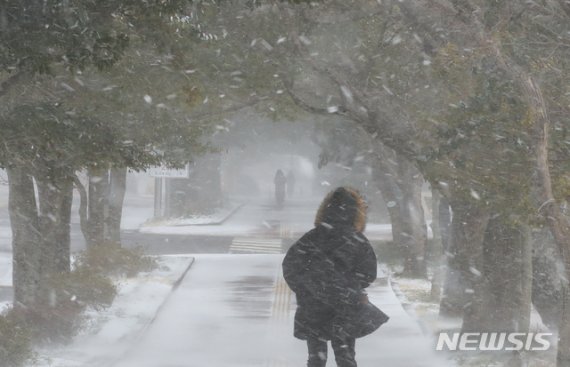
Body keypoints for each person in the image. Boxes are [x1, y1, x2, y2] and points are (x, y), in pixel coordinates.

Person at [282, 187, 377, 367]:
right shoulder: (358, 240)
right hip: (346, 304)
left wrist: (305, 288)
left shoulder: (312, 237)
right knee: (346, 356)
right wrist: (351, 286)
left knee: (316, 357)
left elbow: (290, 266)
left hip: (314, 305)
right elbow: (369, 273)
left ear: (325, 209)